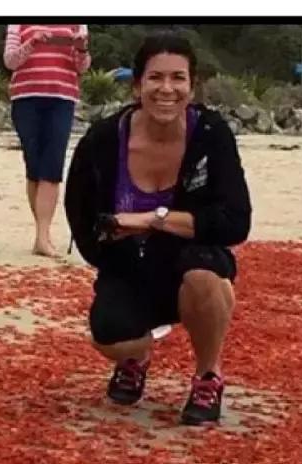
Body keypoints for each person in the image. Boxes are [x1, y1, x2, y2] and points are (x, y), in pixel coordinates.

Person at [64, 32, 251, 426]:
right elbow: (81, 218)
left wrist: (153, 220)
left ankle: (207, 374)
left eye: (178, 78)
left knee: (205, 275)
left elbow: (236, 221)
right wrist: (111, 245)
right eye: (155, 78)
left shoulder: (211, 135)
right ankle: (137, 357)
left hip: (193, 258)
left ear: (192, 85)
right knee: (109, 336)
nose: (167, 89)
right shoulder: (102, 141)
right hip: (129, 265)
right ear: (137, 85)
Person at [3, 24, 91, 257]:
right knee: (34, 166)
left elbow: (81, 67)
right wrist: (32, 43)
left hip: (62, 98)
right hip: (25, 98)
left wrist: (82, 49)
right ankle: (42, 234)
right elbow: (10, 61)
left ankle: (43, 236)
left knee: (52, 167)